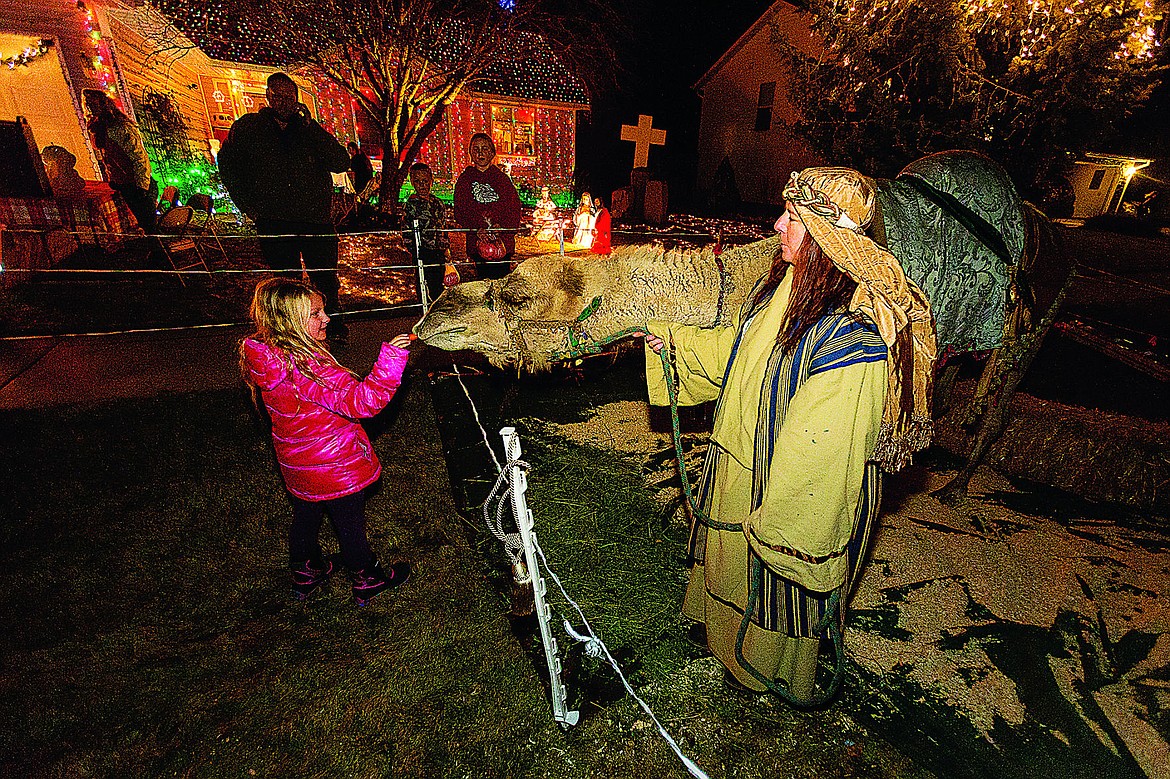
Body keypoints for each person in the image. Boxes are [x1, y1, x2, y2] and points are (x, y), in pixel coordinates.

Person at [639, 167, 936, 700]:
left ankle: (768, 670)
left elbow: (824, 457)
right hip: (740, 467)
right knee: (729, 569)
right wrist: (673, 347)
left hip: (782, 489)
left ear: (826, 237)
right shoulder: (785, 287)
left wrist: (784, 525)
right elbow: (740, 355)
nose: (776, 224)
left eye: (792, 217)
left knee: (774, 590)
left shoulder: (854, 337)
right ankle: (724, 642)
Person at [240, 277, 417, 606]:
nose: (327, 319)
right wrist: (391, 360)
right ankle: (367, 577)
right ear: (290, 322)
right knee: (349, 523)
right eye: (316, 314)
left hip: (298, 464)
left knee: (306, 516)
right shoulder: (310, 370)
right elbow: (363, 401)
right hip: (334, 466)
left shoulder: (270, 360)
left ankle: (306, 571)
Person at [218, 73, 352, 338]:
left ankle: (331, 324)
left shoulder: (307, 130)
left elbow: (341, 161)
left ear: (297, 99)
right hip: (274, 217)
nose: (283, 103)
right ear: (268, 96)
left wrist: (311, 127)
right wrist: (247, 205)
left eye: (289, 97)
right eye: (277, 96)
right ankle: (292, 332)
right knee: (286, 282)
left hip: (315, 218)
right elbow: (228, 165)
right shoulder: (249, 128)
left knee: (325, 277)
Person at [83, 89, 157, 232]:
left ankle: (159, 254)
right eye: (86, 105)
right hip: (125, 184)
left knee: (149, 229)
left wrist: (141, 187)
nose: (88, 108)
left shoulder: (119, 127)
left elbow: (139, 157)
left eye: (91, 104)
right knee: (139, 228)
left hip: (138, 185)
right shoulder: (102, 129)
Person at [453, 133, 522, 280]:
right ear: (471, 154)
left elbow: (514, 209)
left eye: (485, 149)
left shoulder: (502, 180)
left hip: (502, 243)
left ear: (492, 153)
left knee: (502, 281)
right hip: (479, 244)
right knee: (483, 282)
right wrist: (476, 229)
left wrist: (502, 227)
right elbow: (460, 212)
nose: (480, 153)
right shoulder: (465, 180)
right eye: (476, 149)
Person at [402, 162, 449, 305]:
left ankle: (439, 312)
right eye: (417, 181)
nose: (422, 185)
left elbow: (443, 227)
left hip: (438, 252)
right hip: (423, 253)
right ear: (412, 183)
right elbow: (407, 231)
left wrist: (446, 247)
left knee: (439, 287)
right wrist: (414, 250)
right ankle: (425, 311)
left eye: (425, 181)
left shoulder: (438, 203)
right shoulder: (411, 205)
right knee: (424, 285)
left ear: (431, 181)